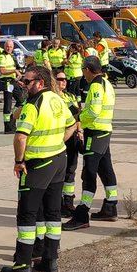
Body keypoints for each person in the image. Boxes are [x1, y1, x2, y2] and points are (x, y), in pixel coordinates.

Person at [2, 65, 75, 272]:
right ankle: (50, 260)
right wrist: (57, 142)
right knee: (53, 213)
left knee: (27, 213)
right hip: (59, 160)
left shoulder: (33, 105)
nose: (23, 84)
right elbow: (72, 125)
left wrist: (18, 161)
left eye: (27, 81)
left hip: (38, 164)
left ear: (40, 83)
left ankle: (22, 265)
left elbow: (20, 136)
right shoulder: (58, 99)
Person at [63, 56, 118, 229]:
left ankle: (82, 213)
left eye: (82, 69)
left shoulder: (95, 85)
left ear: (87, 69)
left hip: (95, 133)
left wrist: (78, 119)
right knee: (106, 169)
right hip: (104, 131)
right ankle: (111, 205)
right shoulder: (106, 83)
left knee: (89, 174)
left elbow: (93, 111)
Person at [55, 72, 81, 215]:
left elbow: (77, 115)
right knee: (59, 172)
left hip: (71, 137)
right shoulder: (52, 97)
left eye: (65, 79)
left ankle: (69, 202)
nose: (63, 82)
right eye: (60, 79)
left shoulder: (70, 97)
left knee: (70, 171)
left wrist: (80, 130)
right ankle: (57, 203)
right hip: (58, 137)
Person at [0, 39, 19, 133]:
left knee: (22, 100)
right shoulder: (2, 56)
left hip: (13, 81)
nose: (9, 48)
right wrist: (14, 71)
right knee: (8, 104)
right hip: (7, 82)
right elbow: (2, 71)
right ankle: (8, 127)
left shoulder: (11, 56)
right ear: (4, 47)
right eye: (7, 46)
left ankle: (12, 119)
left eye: (11, 47)